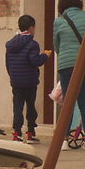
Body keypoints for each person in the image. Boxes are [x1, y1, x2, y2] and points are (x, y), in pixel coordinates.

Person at [50, 0, 85, 140]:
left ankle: (63, 139)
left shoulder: (59, 21)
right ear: (79, 5)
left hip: (66, 65)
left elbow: (56, 45)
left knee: (68, 102)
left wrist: (65, 54)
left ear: (62, 7)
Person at [5, 14, 50, 142]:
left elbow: (7, 64)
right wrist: (45, 56)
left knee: (17, 107)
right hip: (30, 81)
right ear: (31, 28)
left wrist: (13, 76)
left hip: (16, 81)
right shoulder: (33, 44)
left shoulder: (10, 44)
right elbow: (34, 61)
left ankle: (16, 133)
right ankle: (30, 133)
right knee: (30, 106)